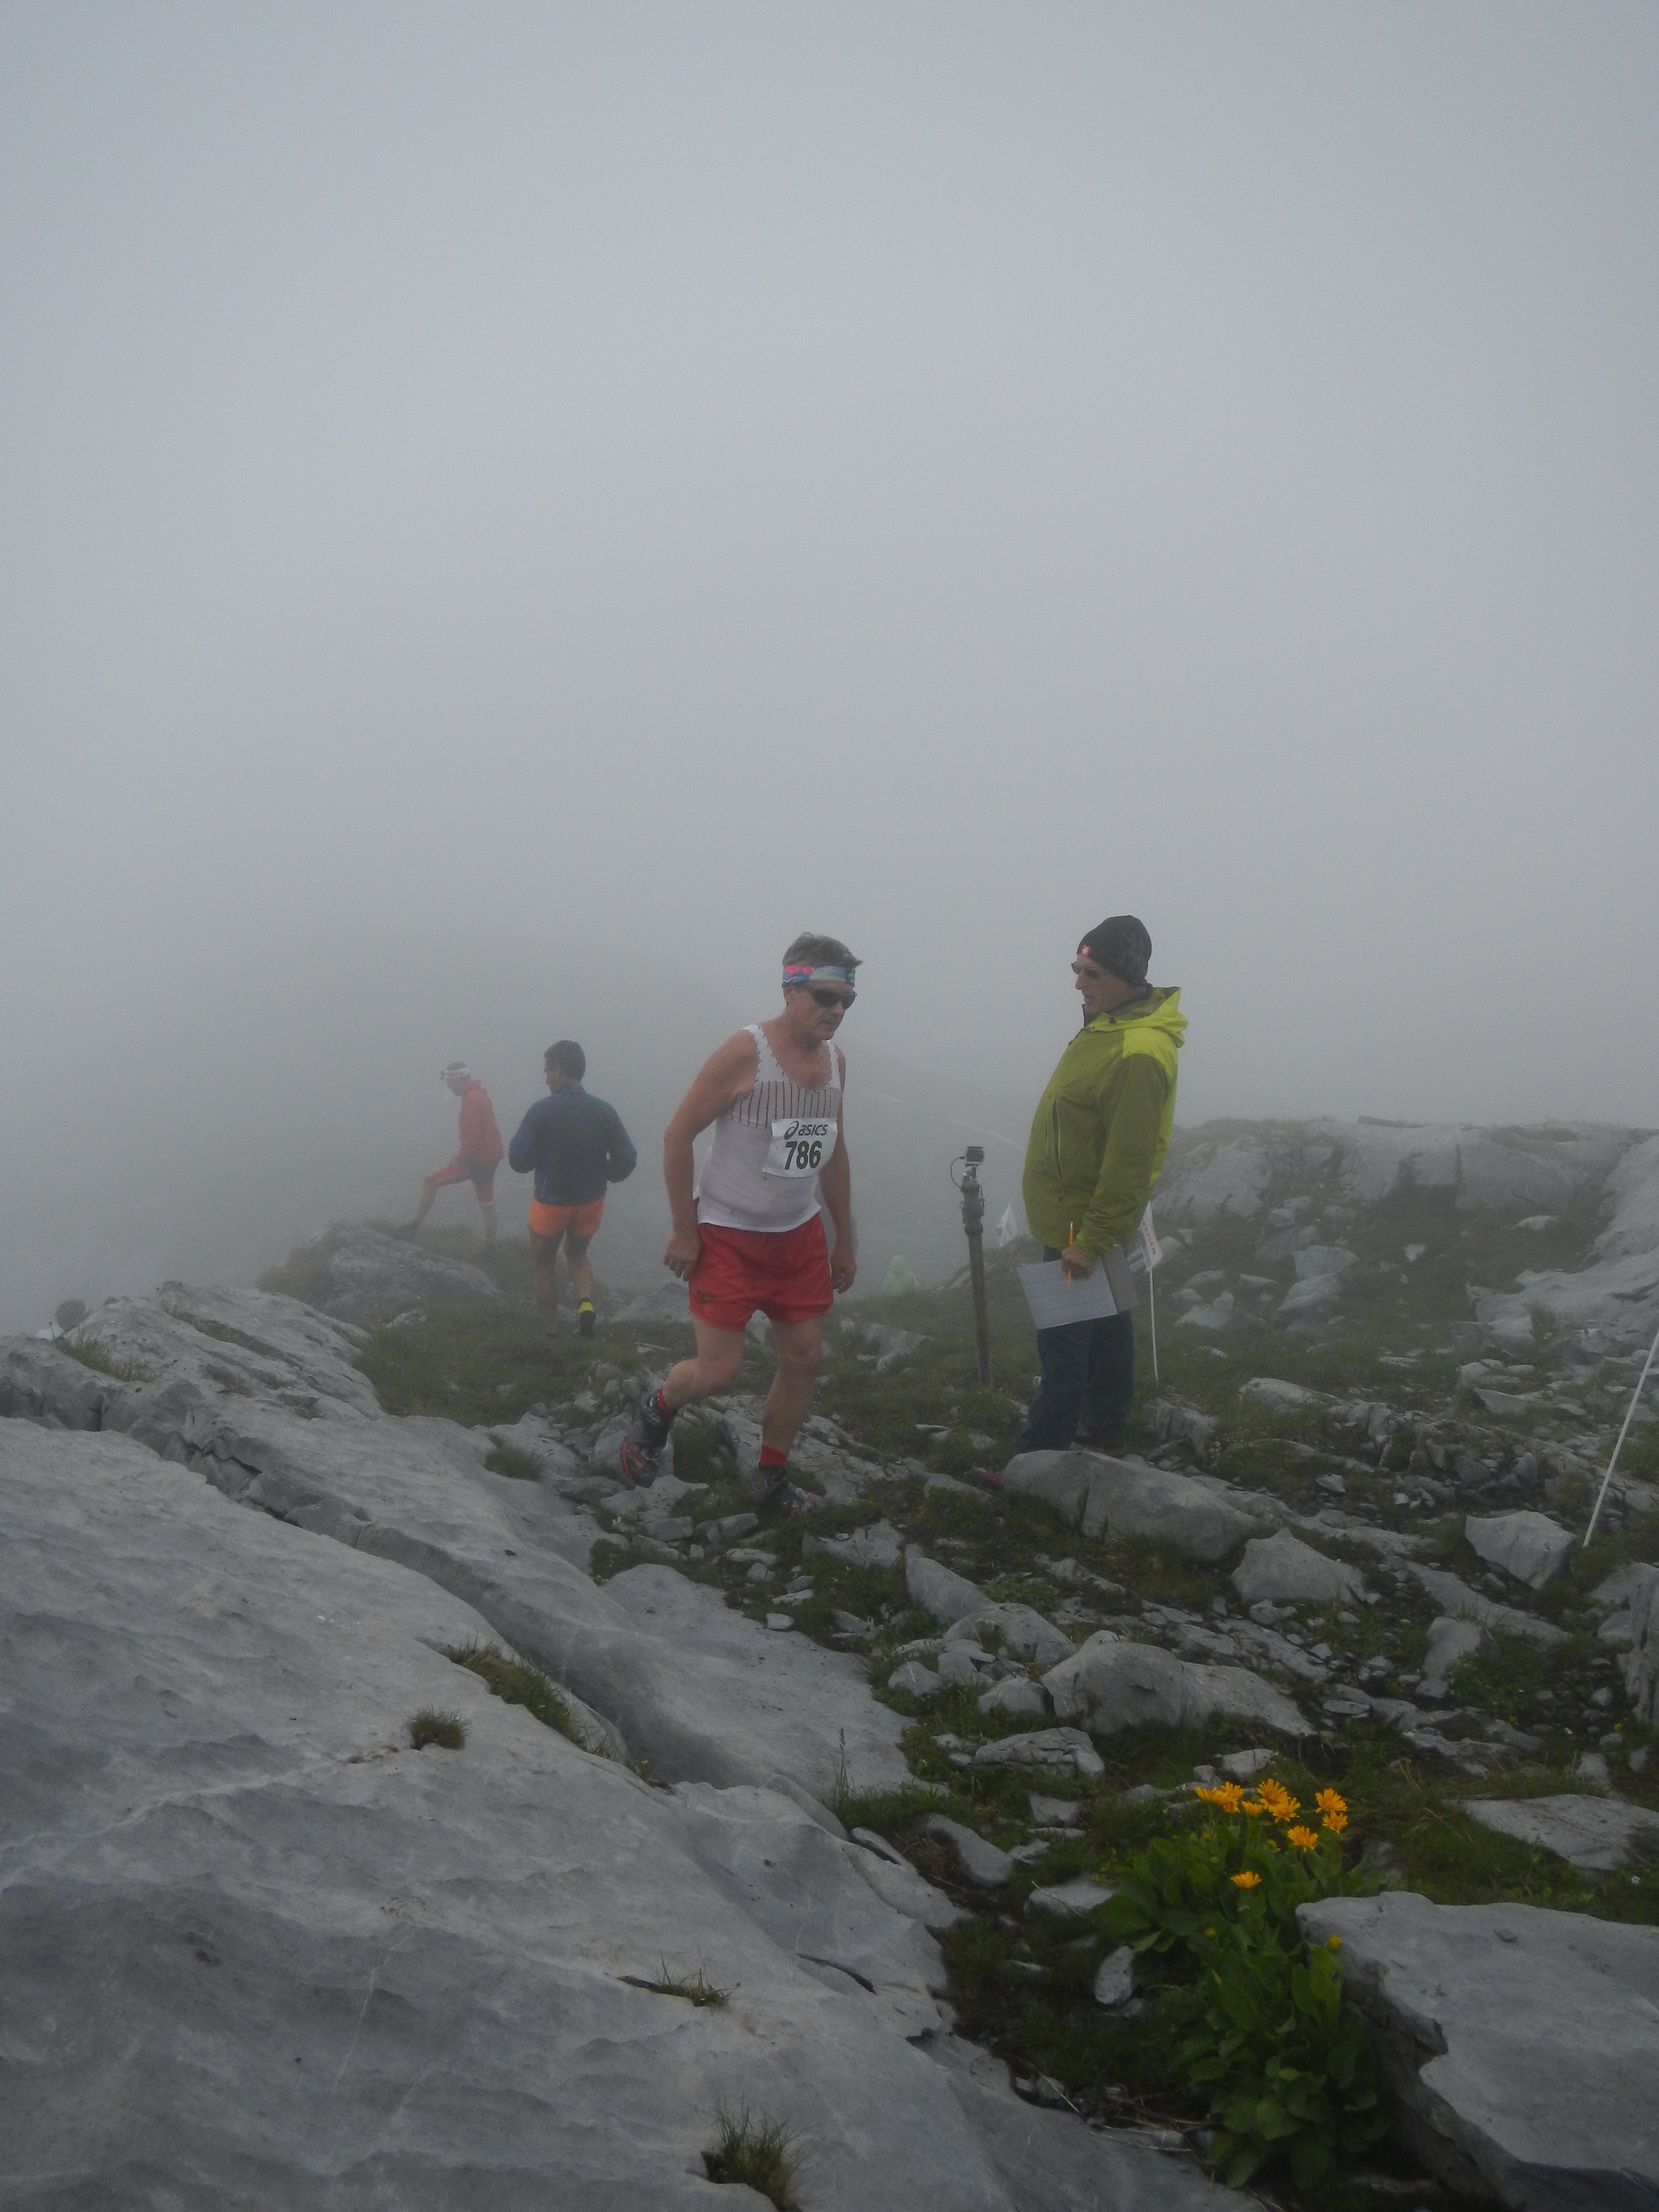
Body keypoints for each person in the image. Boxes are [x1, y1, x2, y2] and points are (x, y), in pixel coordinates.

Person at [619, 933, 860, 1505]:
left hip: (798, 1234)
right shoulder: (746, 1053)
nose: (837, 1011)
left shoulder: (836, 1063)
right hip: (729, 1233)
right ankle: (658, 1409)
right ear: (790, 990)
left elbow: (833, 1152)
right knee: (719, 1371)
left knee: (804, 1358)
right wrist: (685, 1229)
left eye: (847, 1001)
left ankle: (770, 1477)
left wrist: (843, 1238)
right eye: (825, 997)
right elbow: (678, 1135)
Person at [1012, 915, 1186, 1458]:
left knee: (1063, 1351)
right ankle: (1104, 1427)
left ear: (1128, 977)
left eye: (1092, 973)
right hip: (1077, 1215)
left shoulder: (1137, 1052)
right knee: (1109, 1329)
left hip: (1080, 1223)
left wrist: (1089, 1241)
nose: (1078, 983)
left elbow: (1129, 1164)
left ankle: (1040, 1458)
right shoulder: (1108, 1025)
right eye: (1077, 969)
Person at [507, 1041, 638, 1338]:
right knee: (577, 1253)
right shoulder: (604, 1111)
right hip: (591, 1201)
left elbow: (517, 1158)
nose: (545, 1079)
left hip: (550, 1202)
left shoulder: (540, 1111)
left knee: (543, 1262)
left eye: (546, 1072)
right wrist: (604, 1173)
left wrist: (538, 1162)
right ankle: (585, 1305)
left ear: (558, 1070)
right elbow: (628, 1158)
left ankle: (552, 1332)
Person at [402, 1062, 505, 1245]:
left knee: (430, 1182)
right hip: (490, 1158)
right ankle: (490, 1250)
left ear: (457, 1079)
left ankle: (412, 1229)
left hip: (475, 1161)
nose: (448, 1086)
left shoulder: (471, 1101)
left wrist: (459, 1159)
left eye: (449, 1082)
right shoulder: (480, 1096)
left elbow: (472, 1139)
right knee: (487, 1204)